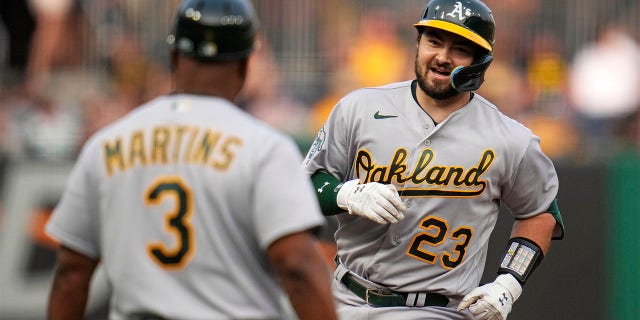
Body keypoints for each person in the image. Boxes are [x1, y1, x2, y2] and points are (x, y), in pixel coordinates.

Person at [45, 0, 338, 319]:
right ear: (244, 62)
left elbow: (71, 272)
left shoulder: (106, 144)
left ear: (174, 56)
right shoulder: (264, 147)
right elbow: (296, 265)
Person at [302, 0, 565, 319]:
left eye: (459, 48)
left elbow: (540, 213)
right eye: (434, 41)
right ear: (418, 43)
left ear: (480, 62)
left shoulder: (510, 138)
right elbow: (306, 183)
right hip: (344, 298)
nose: (442, 56)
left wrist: (509, 282)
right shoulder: (359, 108)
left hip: (438, 309)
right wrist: (345, 194)